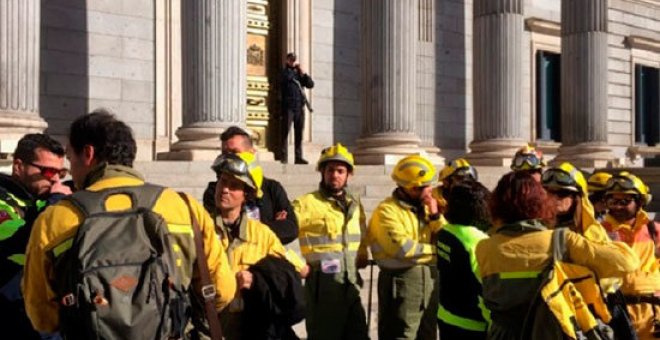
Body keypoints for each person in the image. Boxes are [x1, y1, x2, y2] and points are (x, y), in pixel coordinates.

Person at [23, 110, 236, 337]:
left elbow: (41, 316)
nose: (70, 168)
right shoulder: (184, 208)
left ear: (88, 153)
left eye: (70, 157)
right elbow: (222, 290)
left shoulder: (55, 218)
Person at [476, 171, 639, 340]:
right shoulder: (560, 240)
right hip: (551, 333)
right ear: (538, 202)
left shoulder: (484, 247)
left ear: (495, 205)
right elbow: (628, 263)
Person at [211, 152, 308, 339]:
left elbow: (289, 276)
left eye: (234, 186)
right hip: (213, 327)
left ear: (246, 194)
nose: (225, 190)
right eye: (223, 182)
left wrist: (256, 280)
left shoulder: (262, 234)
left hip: (252, 328)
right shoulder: (202, 231)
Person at [293, 143, 369, 340]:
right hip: (323, 288)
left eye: (340, 171)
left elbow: (361, 230)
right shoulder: (306, 203)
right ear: (322, 172)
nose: (334, 175)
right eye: (330, 170)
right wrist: (297, 264)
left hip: (350, 284)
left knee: (358, 335)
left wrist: (362, 254)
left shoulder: (355, 203)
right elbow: (272, 238)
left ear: (348, 175)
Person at [0, 134, 72, 340]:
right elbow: (21, 239)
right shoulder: (3, 198)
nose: (55, 179)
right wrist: (56, 200)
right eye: (48, 171)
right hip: (11, 304)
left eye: (61, 172)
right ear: (18, 166)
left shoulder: (43, 200)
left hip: (44, 305)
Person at [368, 154, 442, 340]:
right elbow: (402, 249)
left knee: (428, 334)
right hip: (400, 283)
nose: (428, 191)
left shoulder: (427, 208)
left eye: (428, 185)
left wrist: (435, 217)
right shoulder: (386, 211)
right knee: (401, 334)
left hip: (429, 282)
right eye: (422, 187)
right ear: (407, 188)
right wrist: (436, 252)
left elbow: (446, 238)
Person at [203, 126, 298, 244]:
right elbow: (224, 228)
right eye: (225, 153)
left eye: (234, 152)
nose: (229, 158)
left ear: (252, 152)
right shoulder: (216, 191)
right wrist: (272, 226)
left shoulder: (272, 188)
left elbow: (291, 229)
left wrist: (253, 230)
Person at [601, 172, 660, 340]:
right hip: (616, 315)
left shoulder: (654, 231)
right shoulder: (599, 232)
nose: (618, 207)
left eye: (624, 201)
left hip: (652, 317)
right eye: (613, 201)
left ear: (640, 202)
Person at [435, 181, 491, 339]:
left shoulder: (445, 231)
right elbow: (485, 287)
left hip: (447, 315)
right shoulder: (477, 241)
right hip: (472, 324)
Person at [541, 162, 610, 242]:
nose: (555, 197)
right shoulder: (538, 228)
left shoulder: (593, 234)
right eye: (550, 192)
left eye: (562, 193)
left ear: (577, 198)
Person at [280, 52, 314, 165]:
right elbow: (284, 80)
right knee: (285, 131)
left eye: (294, 60)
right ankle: (283, 156)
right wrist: (294, 71)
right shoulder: (285, 73)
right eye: (290, 59)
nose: (292, 61)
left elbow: (310, 84)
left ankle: (298, 157)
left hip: (299, 107)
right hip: (288, 106)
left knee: (299, 133)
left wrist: (302, 72)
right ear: (287, 60)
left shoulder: (299, 74)